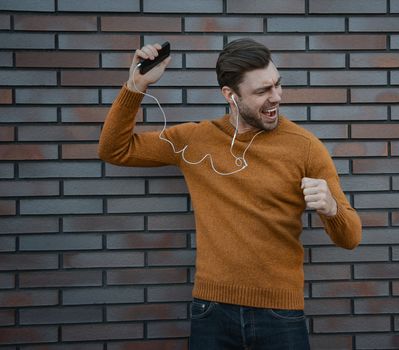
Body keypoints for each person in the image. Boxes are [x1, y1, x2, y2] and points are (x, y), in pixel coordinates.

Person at [98, 38, 362, 350]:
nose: (276, 97)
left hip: (281, 315)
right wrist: (135, 86)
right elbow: (114, 149)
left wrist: (331, 209)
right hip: (211, 312)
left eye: (278, 85)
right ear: (230, 95)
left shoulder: (305, 147)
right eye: (262, 91)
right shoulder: (195, 140)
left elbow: (351, 238)